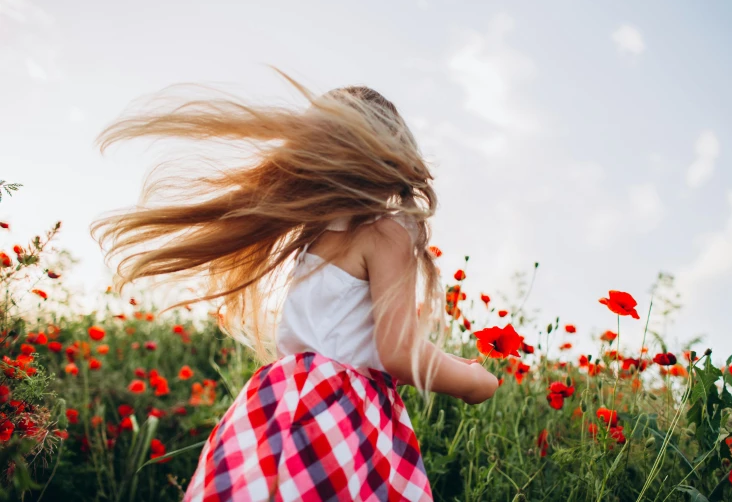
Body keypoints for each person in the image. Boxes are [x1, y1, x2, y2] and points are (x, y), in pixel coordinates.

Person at [91, 70, 500, 501]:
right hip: (340, 411)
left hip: (278, 400)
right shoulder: (386, 231)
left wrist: (444, 358)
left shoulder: (319, 231)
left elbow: (356, 337)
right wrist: (475, 384)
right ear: (393, 153)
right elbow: (397, 353)